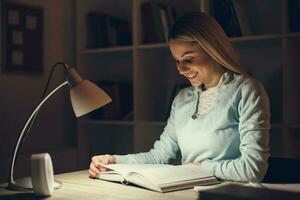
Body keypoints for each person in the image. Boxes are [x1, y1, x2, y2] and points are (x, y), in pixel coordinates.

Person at [89, 12, 270, 182]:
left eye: (189, 60)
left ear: (213, 50)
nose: (181, 70)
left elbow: (253, 169)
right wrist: (113, 161)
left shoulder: (246, 90)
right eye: (177, 61)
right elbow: (159, 156)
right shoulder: (182, 98)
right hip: (187, 192)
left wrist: (202, 168)